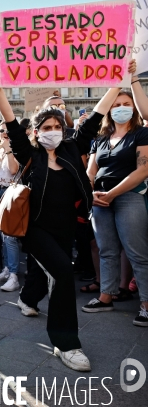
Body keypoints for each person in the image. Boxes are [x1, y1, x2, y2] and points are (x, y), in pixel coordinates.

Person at [0, 62, 99, 371]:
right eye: (46, 128)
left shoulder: (72, 150)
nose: (53, 132)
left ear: (64, 130)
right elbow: (10, 120)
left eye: (57, 127)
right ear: (37, 133)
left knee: (59, 276)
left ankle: (32, 298)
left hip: (66, 229)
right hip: (36, 230)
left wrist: (120, 79)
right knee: (64, 273)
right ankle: (67, 344)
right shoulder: (31, 154)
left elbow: (97, 117)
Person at [81, 68, 148, 327]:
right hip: (100, 201)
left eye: (126, 104)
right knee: (107, 250)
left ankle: (145, 304)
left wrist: (112, 193)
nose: (121, 108)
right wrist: (91, 192)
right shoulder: (101, 139)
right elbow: (91, 169)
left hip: (129, 197)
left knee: (137, 253)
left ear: (133, 107)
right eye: (116, 105)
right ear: (109, 110)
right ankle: (106, 296)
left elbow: (143, 169)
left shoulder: (141, 134)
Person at [0, 122, 21, 291]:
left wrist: (8, 148)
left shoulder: (18, 150)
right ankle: (7, 269)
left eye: (8, 130)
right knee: (2, 236)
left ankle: (14, 275)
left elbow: (13, 170)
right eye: (2, 130)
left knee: (10, 236)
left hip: (11, 194)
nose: (5, 133)